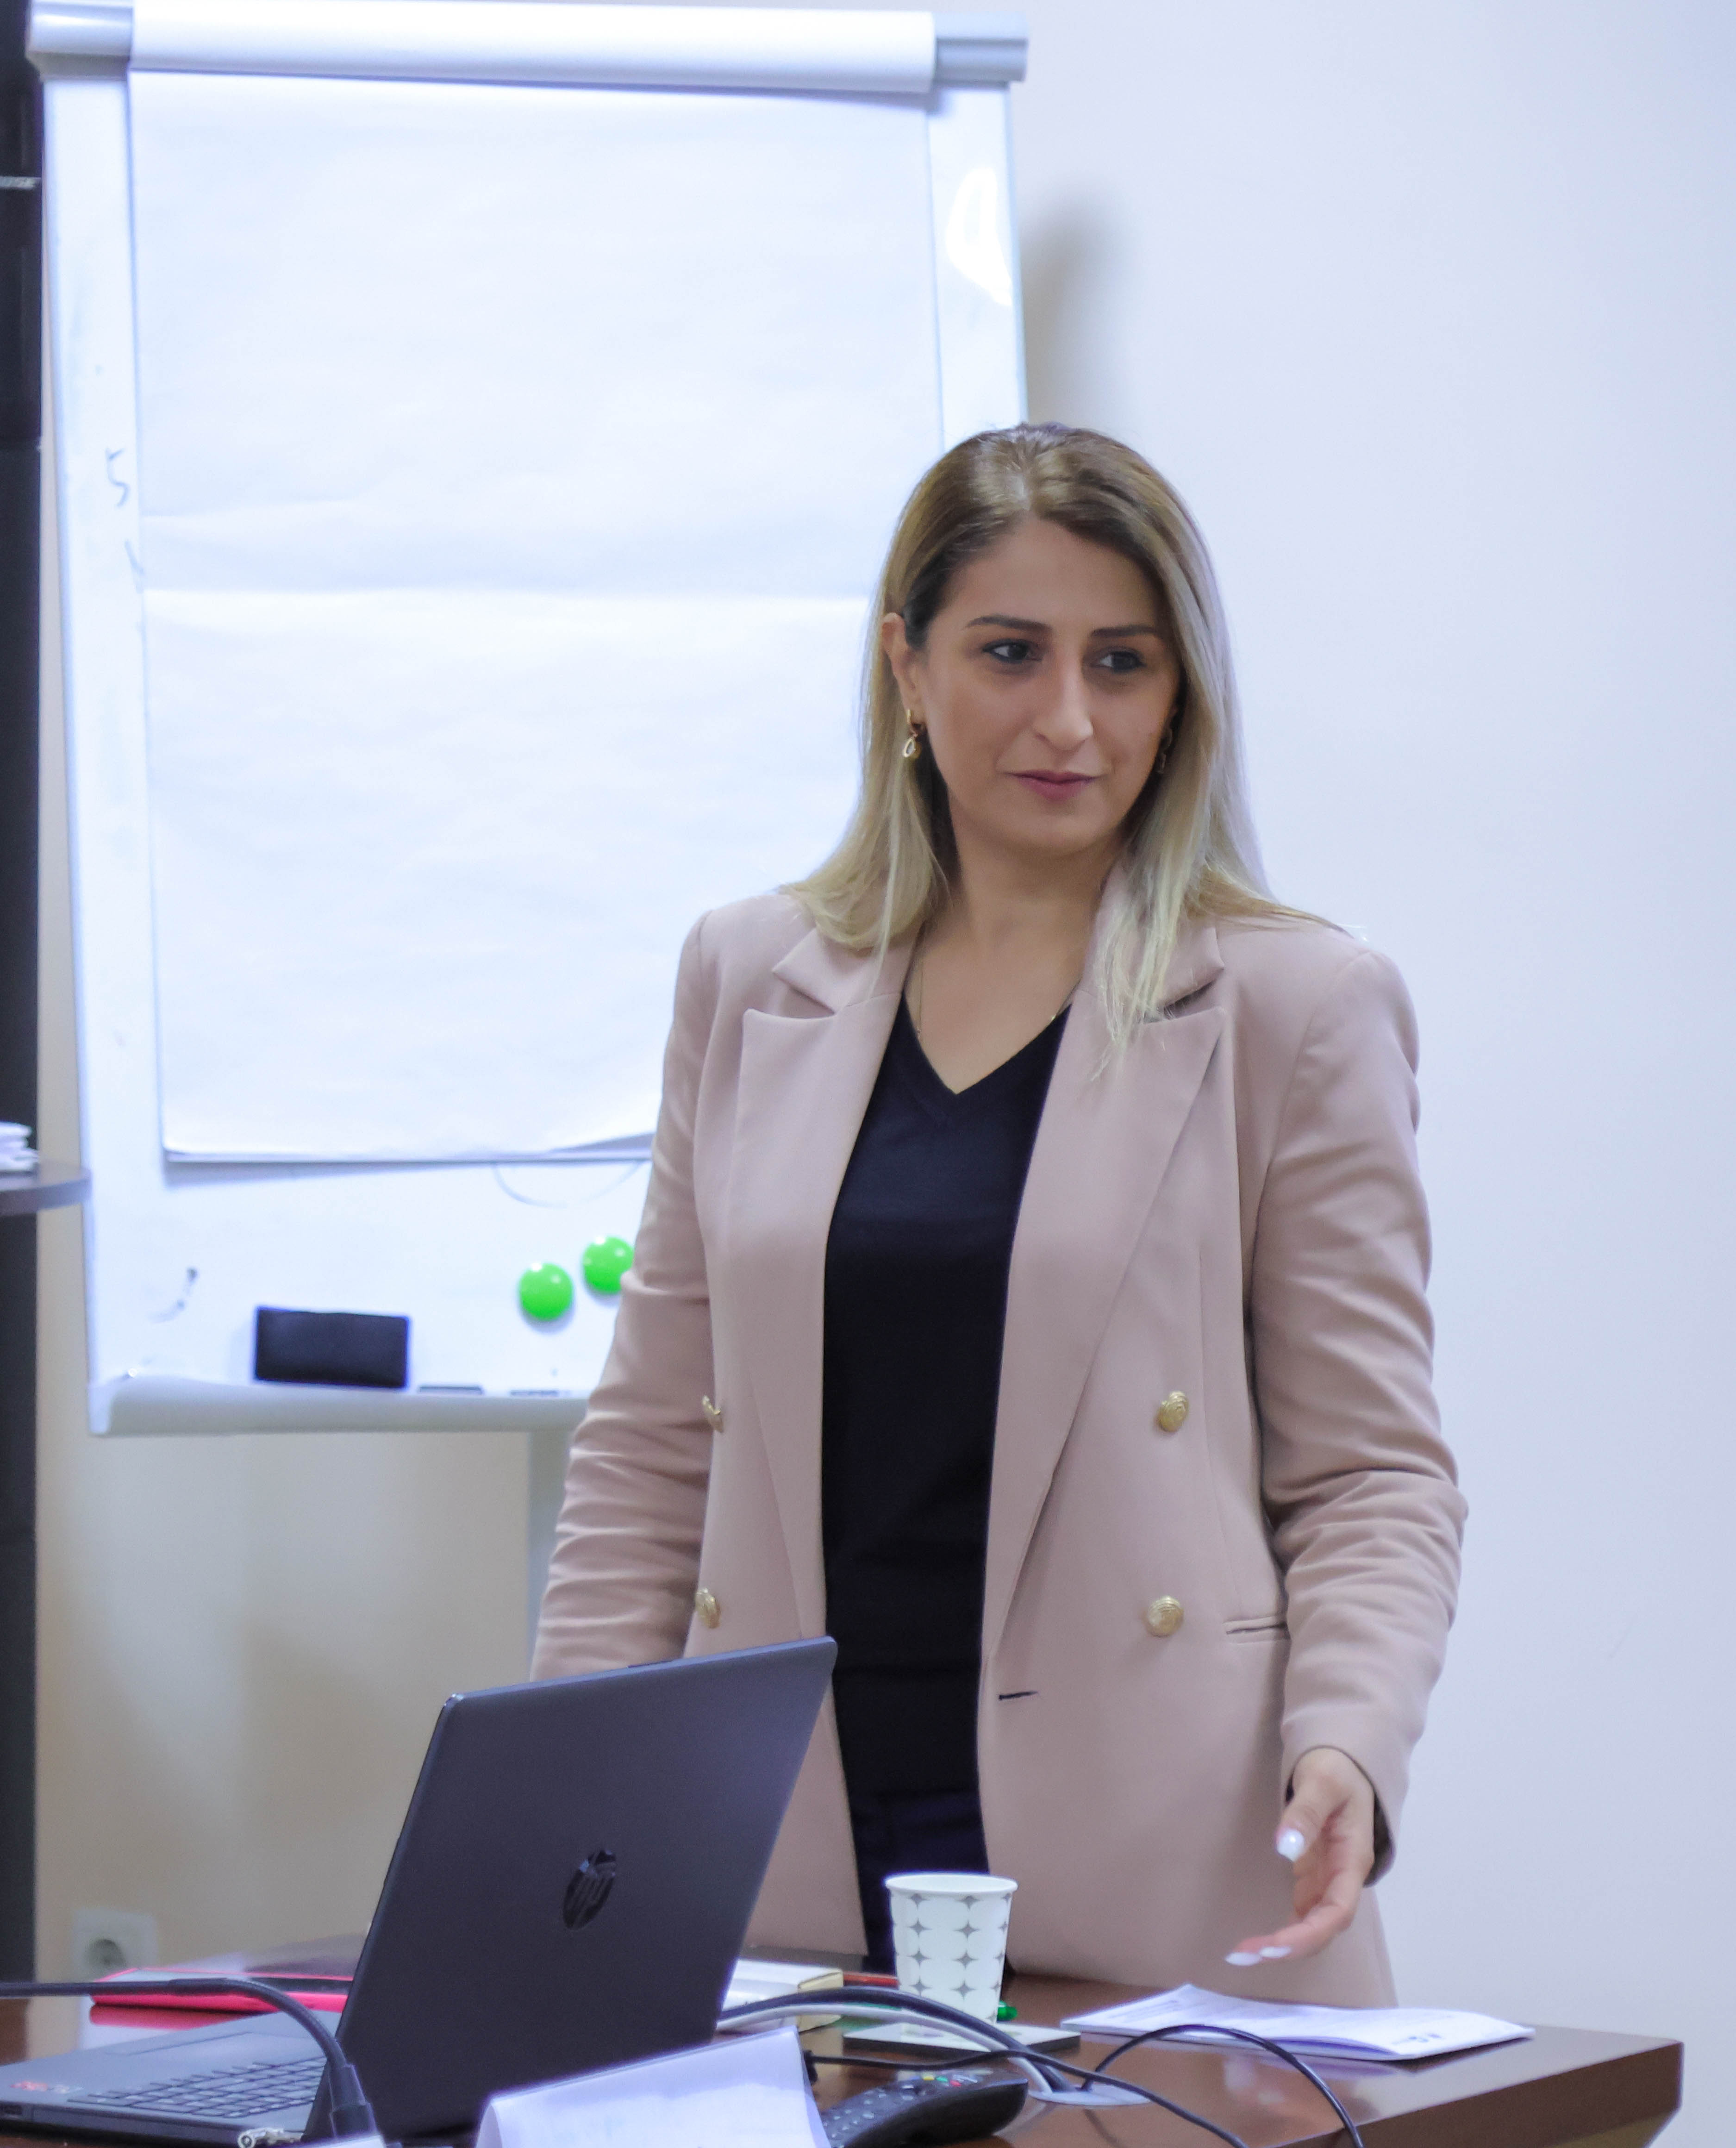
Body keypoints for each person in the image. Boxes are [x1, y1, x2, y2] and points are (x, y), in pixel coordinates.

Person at [530, 424, 1462, 2004]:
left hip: (1154, 1847)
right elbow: (652, 1443)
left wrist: (1349, 1741)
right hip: (783, 1841)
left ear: (1183, 697)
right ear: (907, 666)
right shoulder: (748, 978)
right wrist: (568, 1783)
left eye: (1124, 663)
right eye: (1011, 652)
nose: (1070, 720)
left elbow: (1371, 1473)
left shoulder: (1298, 1006)